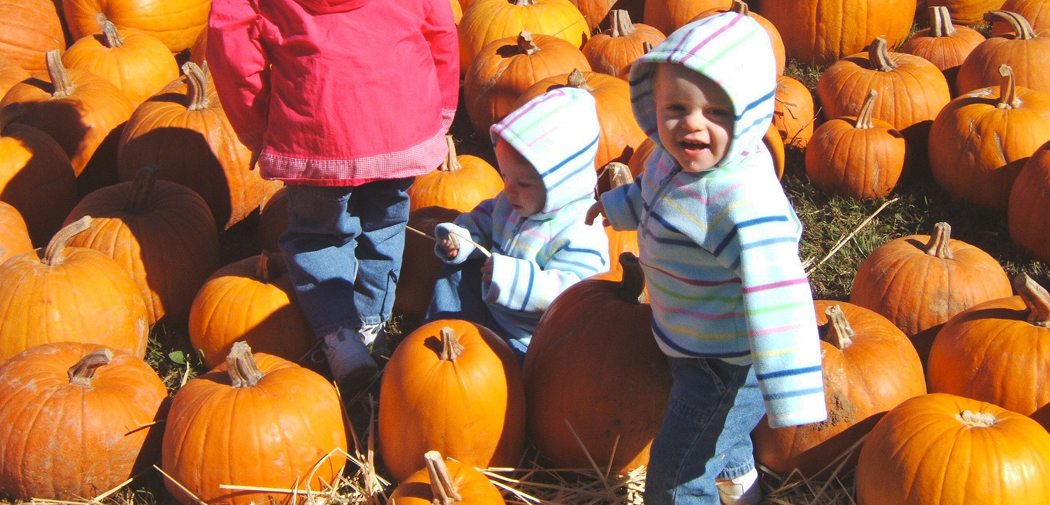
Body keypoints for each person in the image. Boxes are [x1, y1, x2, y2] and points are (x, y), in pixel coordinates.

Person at [586, 12, 827, 505]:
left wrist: (793, 389)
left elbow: (781, 295)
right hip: (692, 341)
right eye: (676, 106)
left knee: (678, 472)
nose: (692, 124)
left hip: (725, 365)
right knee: (721, 439)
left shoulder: (742, 203)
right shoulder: (668, 159)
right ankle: (742, 488)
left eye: (716, 112)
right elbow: (654, 197)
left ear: (751, 116)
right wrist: (615, 207)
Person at [206, 0, 459, 402]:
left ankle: (342, 339)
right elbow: (441, 32)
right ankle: (372, 322)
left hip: (316, 131)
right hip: (398, 122)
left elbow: (231, 47)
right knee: (386, 224)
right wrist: (441, 109)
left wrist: (256, 127)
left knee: (318, 236)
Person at [426, 87, 610, 363]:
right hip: (492, 309)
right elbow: (485, 217)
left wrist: (515, 280)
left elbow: (575, 298)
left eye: (522, 183)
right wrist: (464, 237)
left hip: (529, 340)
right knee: (458, 266)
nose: (508, 189)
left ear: (560, 184)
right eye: (504, 175)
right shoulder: (513, 201)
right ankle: (444, 334)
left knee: (515, 376)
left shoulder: (581, 231)